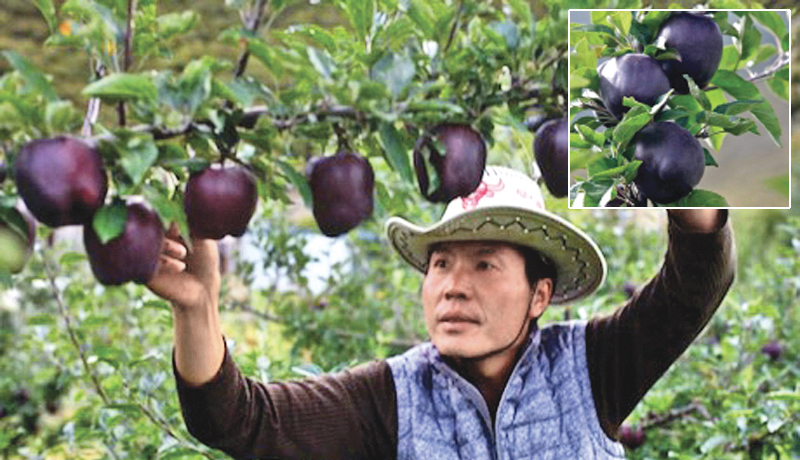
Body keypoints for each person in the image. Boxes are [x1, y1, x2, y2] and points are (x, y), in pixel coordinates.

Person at [147, 166, 735, 459]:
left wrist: (676, 159)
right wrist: (198, 311)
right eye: (441, 264)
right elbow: (239, 420)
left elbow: (692, 289)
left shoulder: (591, 369)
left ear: (539, 295)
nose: (453, 286)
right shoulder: (390, 399)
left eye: (485, 265)